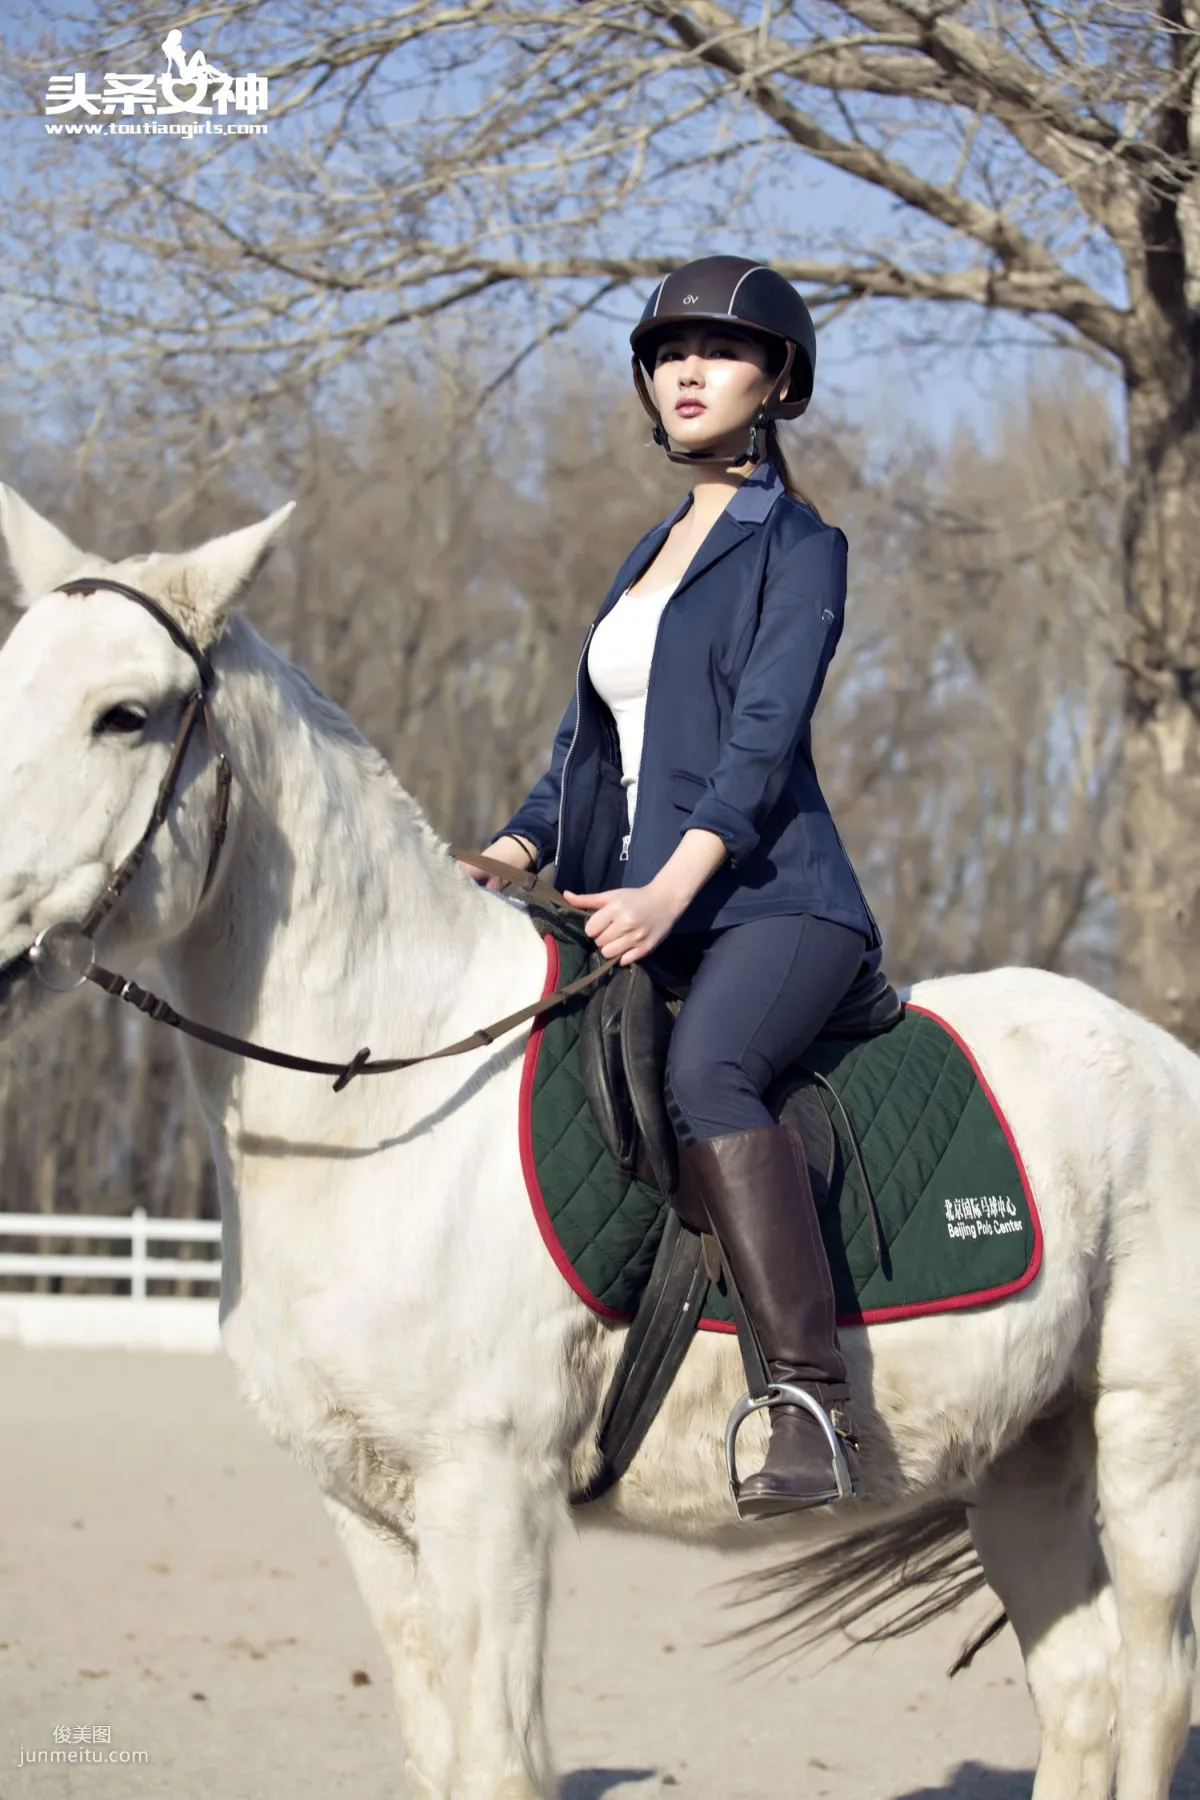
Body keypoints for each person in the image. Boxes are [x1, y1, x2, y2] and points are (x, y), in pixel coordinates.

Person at [458, 255, 885, 1515]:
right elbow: (588, 756)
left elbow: (759, 747)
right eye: (666, 353)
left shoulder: (800, 546)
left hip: (774, 905)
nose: (687, 370)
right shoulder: (647, 554)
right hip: (637, 905)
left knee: (708, 1076)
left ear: (777, 381)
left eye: (722, 351)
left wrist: (670, 889)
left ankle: (811, 1402)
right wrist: (511, 852)